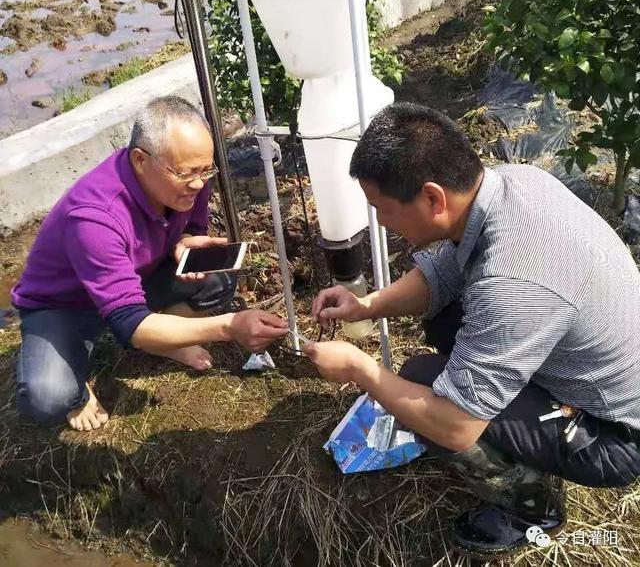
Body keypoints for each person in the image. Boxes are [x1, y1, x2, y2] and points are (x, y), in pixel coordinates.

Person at [305, 102, 640, 560]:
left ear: (432, 198)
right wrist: (366, 304)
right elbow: (443, 274)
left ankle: (532, 513)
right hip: (587, 366)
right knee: (445, 315)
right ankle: (523, 426)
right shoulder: (513, 184)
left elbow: (458, 427)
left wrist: (361, 370)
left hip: (612, 434)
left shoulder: (511, 284)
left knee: (425, 386)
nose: (381, 222)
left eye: (383, 209)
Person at [12, 96, 288, 432]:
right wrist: (229, 327)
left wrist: (185, 242)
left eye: (206, 169)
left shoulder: (188, 176)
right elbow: (130, 323)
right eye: (187, 173)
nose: (199, 183)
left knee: (217, 278)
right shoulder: (95, 217)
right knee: (49, 397)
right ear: (141, 160)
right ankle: (77, 383)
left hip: (135, 278)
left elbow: (192, 226)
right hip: (65, 306)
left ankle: (168, 340)